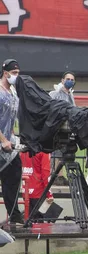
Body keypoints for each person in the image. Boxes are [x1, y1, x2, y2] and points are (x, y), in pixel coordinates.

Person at [0, 58, 23, 224]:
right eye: (14, 73)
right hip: (2, 142)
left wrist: (13, 138)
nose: (16, 76)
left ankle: (15, 217)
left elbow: (11, 118)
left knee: (14, 174)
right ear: (5, 73)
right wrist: (3, 140)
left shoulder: (14, 93)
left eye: (17, 73)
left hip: (9, 145)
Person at [49, 71, 76, 185]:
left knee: (64, 151)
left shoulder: (70, 95)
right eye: (68, 79)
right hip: (56, 127)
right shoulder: (54, 94)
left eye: (72, 80)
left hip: (67, 128)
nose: (70, 81)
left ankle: (60, 175)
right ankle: (54, 175)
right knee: (56, 151)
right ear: (62, 80)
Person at [20, 151, 54, 219]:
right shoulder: (44, 152)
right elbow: (45, 174)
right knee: (38, 224)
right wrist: (49, 194)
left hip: (26, 190)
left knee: (28, 220)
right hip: (38, 192)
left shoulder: (23, 151)